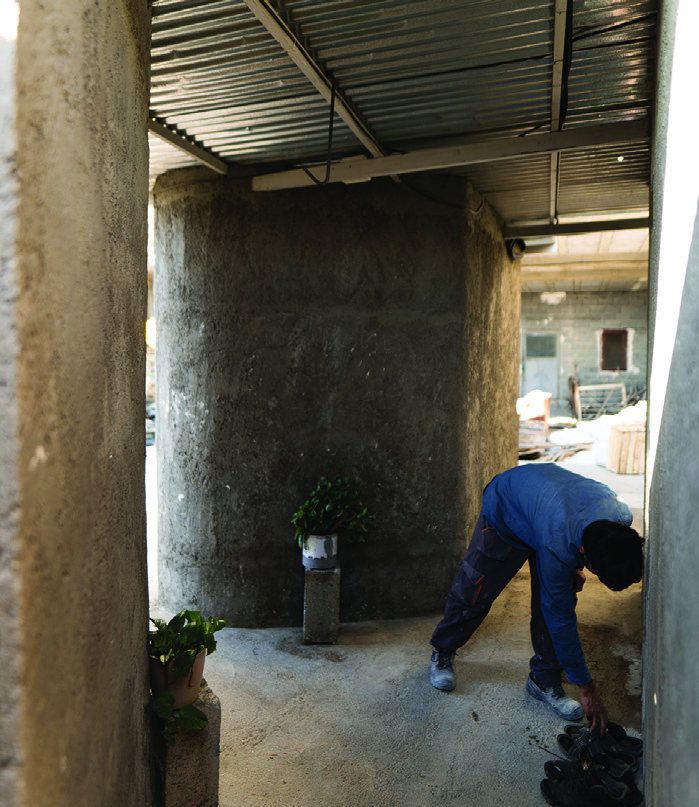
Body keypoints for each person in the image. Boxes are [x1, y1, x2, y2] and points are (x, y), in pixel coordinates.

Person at [429, 463, 643, 734]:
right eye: (588, 565)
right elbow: (561, 619)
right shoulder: (558, 541)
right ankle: (443, 650)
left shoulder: (620, 515)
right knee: (476, 588)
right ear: (583, 551)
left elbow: (578, 538)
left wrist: (575, 565)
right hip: (508, 509)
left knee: (553, 600)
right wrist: (586, 688)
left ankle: (543, 680)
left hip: (550, 513)